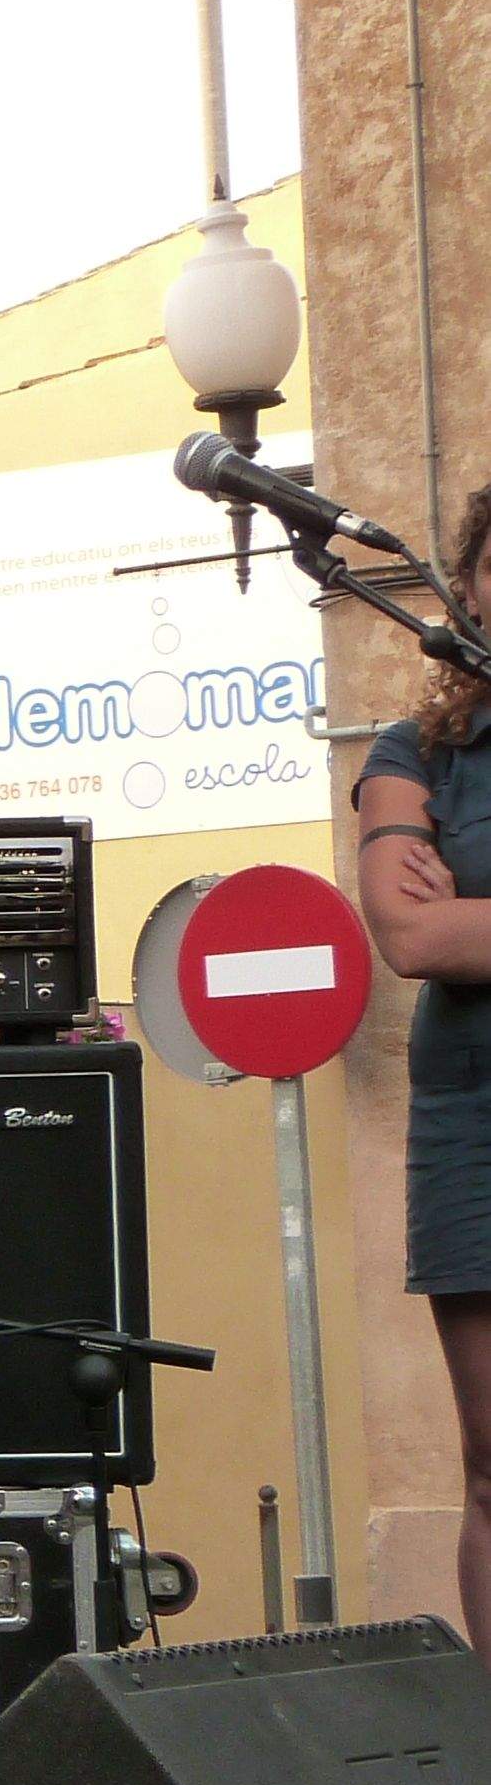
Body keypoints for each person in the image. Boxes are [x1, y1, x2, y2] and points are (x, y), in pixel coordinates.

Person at [353, 481, 491, 1645]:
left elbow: (458, 926)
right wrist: (449, 927)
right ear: (471, 586)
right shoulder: (415, 755)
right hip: (475, 1124)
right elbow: (412, 935)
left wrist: (472, 915)